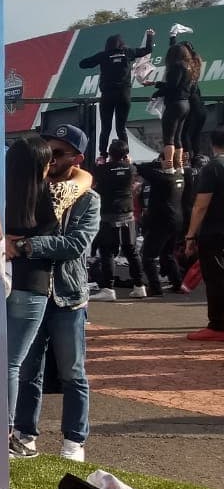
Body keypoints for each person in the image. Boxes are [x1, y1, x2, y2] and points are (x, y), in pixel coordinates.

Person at [7, 124, 99, 461]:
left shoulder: (88, 198)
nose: (52, 158)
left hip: (66, 295)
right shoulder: (32, 188)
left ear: (77, 158)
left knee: (72, 370)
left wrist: (27, 246)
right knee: (29, 370)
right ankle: (24, 435)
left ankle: (74, 440)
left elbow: (75, 244)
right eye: (48, 151)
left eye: (59, 153)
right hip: (32, 292)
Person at [77, 28, 155, 154]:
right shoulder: (128, 52)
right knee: (121, 128)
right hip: (124, 95)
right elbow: (147, 50)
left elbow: (83, 64)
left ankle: (102, 155)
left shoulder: (103, 55)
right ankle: (125, 156)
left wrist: (97, 59)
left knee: (105, 128)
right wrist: (150, 36)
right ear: (122, 43)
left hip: (107, 95)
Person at [183, 127, 224, 341]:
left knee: (216, 279)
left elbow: (201, 205)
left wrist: (190, 235)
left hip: (215, 234)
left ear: (212, 144)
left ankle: (217, 326)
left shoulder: (213, 167)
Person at [92, 140, 146, 300]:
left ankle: (108, 288)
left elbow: (95, 183)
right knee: (131, 250)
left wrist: (101, 164)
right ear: (125, 154)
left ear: (109, 154)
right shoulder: (131, 168)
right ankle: (139, 285)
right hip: (128, 214)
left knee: (107, 251)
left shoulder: (102, 169)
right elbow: (134, 179)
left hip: (108, 214)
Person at [135, 154, 186, 296]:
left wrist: (158, 165)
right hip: (176, 219)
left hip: (161, 221)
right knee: (168, 254)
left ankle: (155, 287)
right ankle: (177, 283)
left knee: (148, 256)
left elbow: (141, 168)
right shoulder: (179, 177)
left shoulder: (162, 179)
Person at [154, 42, 192, 170]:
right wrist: (159, 84)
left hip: (174, 104)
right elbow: (180, 85)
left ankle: (169, 167)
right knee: (178, 137)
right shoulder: (188, 67)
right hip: (185, 103)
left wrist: (157, 93)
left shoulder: (176, 66)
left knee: (168, 137)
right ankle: (179, 166)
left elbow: (171, 86)